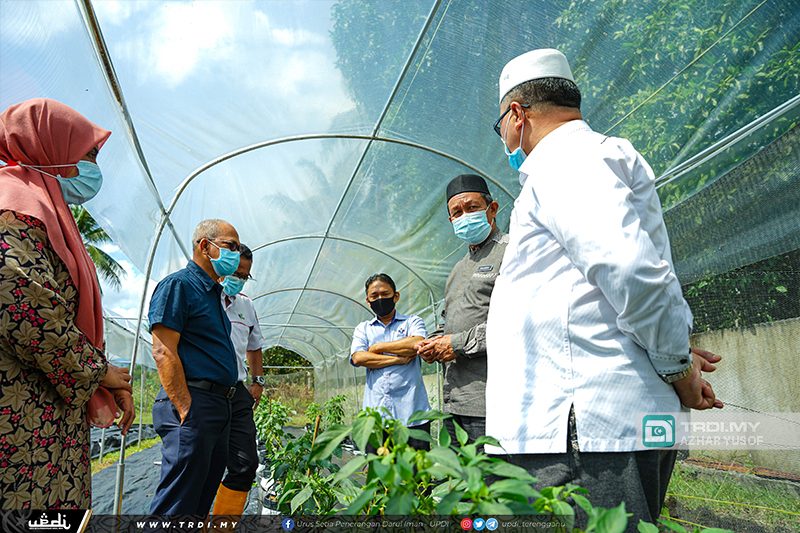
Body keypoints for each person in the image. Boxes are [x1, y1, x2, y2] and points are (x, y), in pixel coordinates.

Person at [484, 49, 723, 529]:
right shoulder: (577, 164)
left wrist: (678, 369)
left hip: (583, 436)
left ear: (516, 114)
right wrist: (669, 349)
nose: (505, 139)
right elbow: (609, 291)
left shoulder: (566, 159)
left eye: (501, 127)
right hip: (586, 429)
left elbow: (631, 271)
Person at [0, 98, 135, 509]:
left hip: (42, 412)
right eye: (86, 154)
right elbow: (21, 303)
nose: (92, 169)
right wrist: (97, 370)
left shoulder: (39, 209)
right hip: (21, 420)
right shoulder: (12, 207)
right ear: (46, 146)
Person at [148, 218, 241, 515]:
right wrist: (186, 408)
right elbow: (163, 350)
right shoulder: (179, 285)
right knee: (176, 503)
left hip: (217, 405)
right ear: (205, 246)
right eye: (231, 246)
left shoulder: (214, 294)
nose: (237, 255)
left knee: (199, 502)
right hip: (194, 402)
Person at [416, 174, 508, 450]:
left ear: (492, 209)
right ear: (451, 221)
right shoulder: (457, 269)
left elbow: (515, 323)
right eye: (457, 212)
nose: (464, 216)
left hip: (491, 403)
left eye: (472, 208)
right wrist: (434, 342)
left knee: (491, 488)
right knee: (461, 489)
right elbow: (451, 325)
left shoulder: (512, 252)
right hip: (455, 403)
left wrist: (455, 344)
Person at [212, 243, 265, 518]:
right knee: (200, 467)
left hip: (237, 393)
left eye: (244, 276)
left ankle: (220, 524)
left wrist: (257, 381)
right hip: (205, 393)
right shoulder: (204, 296)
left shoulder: (246, 305)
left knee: (245, 465)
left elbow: (254, 346)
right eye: (235, 271)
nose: (238, 279)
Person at [351, 273, 431, 451]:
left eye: (385, 294)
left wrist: (378, 347)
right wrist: (398, 359)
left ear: (396, 296)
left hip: (412, 416)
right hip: (377, 419)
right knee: (380, 474)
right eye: (374, 296)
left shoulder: (412, 321)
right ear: (368, 300)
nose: (380, 299)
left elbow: (416, 344)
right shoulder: (363, 329)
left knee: (418, 474)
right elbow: (359, 357)